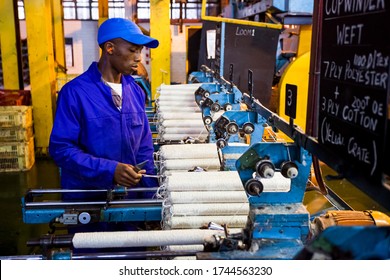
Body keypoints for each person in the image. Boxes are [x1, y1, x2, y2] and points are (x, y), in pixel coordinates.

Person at [49, 17, 159, 207]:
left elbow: (144, 149)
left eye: (140, 51)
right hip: (88, 200)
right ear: (110, 48)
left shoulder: (135, 92)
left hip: (129, 202)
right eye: (132, 50)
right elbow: (61, 149)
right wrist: (110, 171)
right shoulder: (75, 93)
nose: (139, 58)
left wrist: (151, 197)